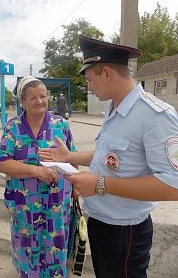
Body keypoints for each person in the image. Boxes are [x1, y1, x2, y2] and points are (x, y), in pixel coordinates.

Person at [38, 35, 178, 278]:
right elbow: (110, 157)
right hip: (102, 223)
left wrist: (100, 184)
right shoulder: (115, 108)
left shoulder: (154, 115)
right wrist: (70, 155)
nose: (89, 87)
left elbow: (173, 185)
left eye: (90, 79)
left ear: (107, 73)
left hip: (126, 232)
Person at [0, 76, 77, 278]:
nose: (40, 101)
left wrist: (76, 186)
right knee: (26, 246)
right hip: (25, 205)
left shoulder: (60, 125)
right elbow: (2, 163)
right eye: (33, 98)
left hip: (56, 202)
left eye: (43, 96)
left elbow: (72, 157)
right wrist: (36, 171)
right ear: (22, 102)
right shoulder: (13, 128)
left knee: (56, 247)